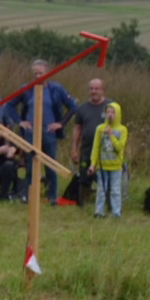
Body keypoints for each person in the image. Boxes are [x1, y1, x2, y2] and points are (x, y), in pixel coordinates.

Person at [5, 59, 73, 204]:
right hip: (30, 132)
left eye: (40, 73)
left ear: (47, 73)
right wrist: (20, 122)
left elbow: (73, 107)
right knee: (30, 165)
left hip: (48, 133)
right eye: (35, 73)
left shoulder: (56, 89)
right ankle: (29, 196)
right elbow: (9, 105)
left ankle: (52, 197)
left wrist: (60, 124)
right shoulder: (26, 88)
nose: (38, 76)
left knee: (50, 166)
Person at [67, 76, 111, 204]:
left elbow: (118, 128)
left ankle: (108, 203)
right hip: (87, 149)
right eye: (91, 89)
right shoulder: (82, 108)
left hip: (105, 150)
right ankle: (83, 203)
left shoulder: (110, 106)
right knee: (85, 176)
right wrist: (74, 149)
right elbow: (77, 129)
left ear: (103, 90)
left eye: (97, 89)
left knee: (105, 178)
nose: (94, 91)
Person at [88, 100, 128, 217]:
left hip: (115, 165)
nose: (110, 115)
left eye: (113, 112)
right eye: (108, 112)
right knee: (101, 189)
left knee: (115, 190)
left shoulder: (122, 130)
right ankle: (99, 211)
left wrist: (111, 135)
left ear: (118, 114)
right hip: (102, 165)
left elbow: (119, 147)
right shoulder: (100, 129)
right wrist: (93, 164)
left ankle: (116, 212)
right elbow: (96, 147)